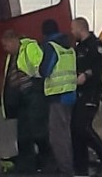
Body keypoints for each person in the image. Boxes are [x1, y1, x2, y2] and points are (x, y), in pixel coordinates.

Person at [1, 29, 51, 174]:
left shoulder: (29, 47)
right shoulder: (11, 56)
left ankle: (46, 162)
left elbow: (40, 66)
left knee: (38, 132)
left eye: (5, 45)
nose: (5, 49)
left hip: (33, 95)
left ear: (12, 41)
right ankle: (26, 167)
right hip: (21, 100)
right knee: (23, 135)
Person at [70, 17, 102, 176]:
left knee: (81, 126)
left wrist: (87, 74)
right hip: (78, 93)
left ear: (81, 28)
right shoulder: (79, 48)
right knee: (75, 129)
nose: (71, 33)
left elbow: (101, 65)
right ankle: (81, 167)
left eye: (73, 29)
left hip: (91, 92)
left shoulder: (96, 45)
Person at [39, 19, 77, 177]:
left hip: (58, 96)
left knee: (57, 138)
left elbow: (45, 71)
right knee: (65, 134)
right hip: (70, 95)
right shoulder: (69, 47)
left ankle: (65, 171)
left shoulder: (51, 47)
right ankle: (67, 166)